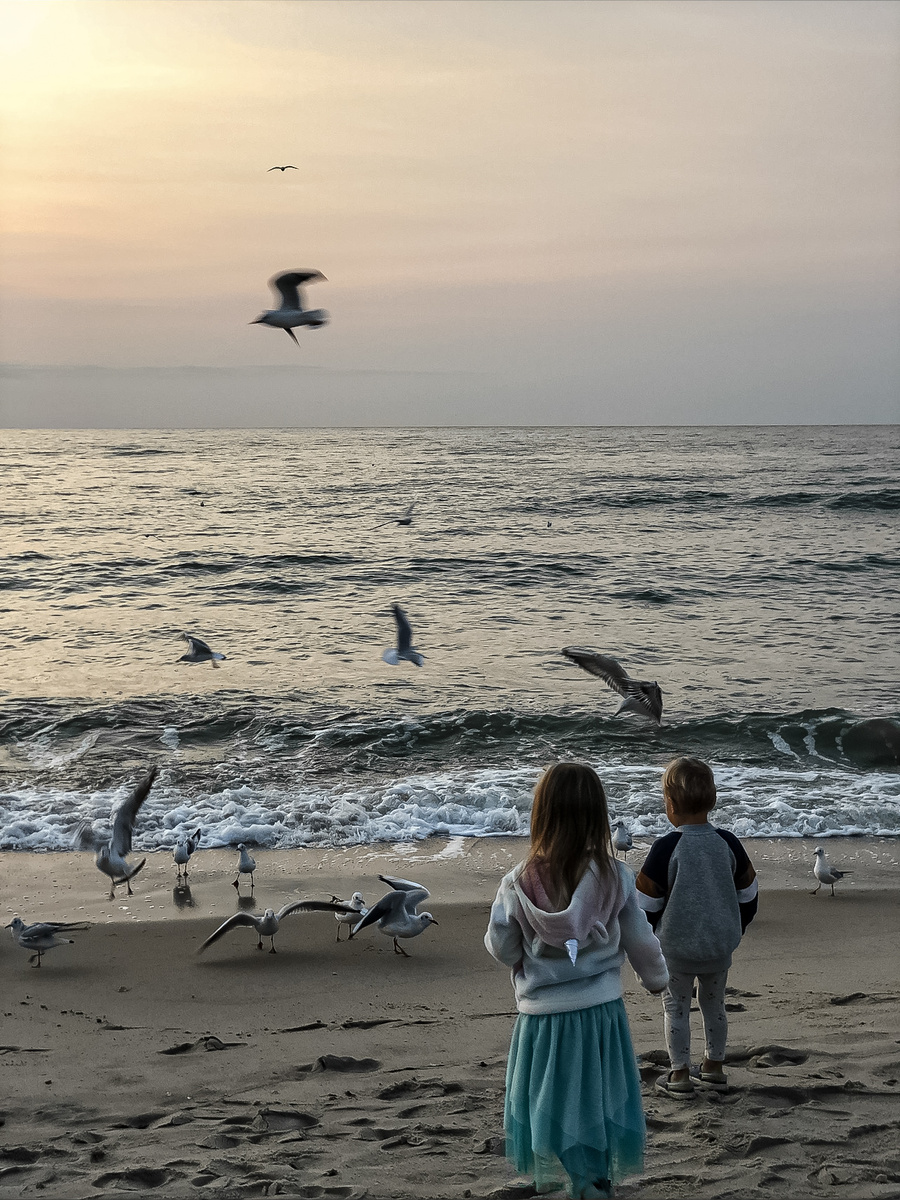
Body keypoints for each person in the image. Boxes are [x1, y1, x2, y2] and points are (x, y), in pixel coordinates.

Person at [484, 763, 669, 1200]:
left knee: (552, 1103)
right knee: (596, 1100)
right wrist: (657, 978)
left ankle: (580, 1178)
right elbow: (641, 939)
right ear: (597, 817)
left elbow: (502, 948)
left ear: (541, 815)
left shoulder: (517, 883)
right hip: (600, 1015)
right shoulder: (615, 877)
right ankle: (594, 1180)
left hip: (543, 1020)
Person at [635, 756, 758, 1099]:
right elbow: (748, 893)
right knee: (714, 1005)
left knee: (675, 1008)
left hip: (675, 949)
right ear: (712, 800)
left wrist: (650, 941)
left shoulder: (666, 847)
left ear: (671, 805)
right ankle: (714, 1068)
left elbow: (645, 905)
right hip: (718, 948)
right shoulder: (728, 843)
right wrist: (735, 928)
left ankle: (679, 1074)